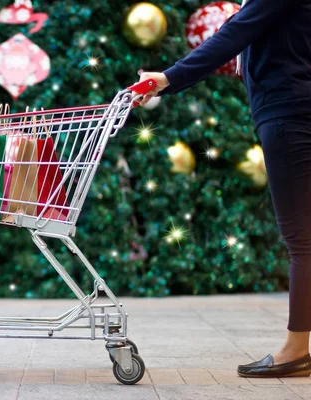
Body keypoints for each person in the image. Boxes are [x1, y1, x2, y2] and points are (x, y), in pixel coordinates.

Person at [136, 0, 311, 378]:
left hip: (288, 113)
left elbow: (234, 34)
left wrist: (169, 78)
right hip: (294, 107)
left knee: (301, 239)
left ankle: (296, 349)